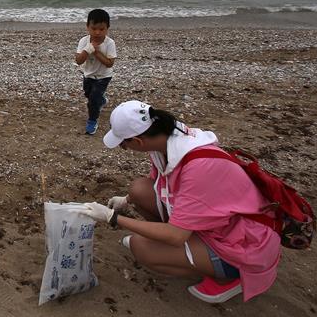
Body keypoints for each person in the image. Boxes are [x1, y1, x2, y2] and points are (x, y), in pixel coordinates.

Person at [74, 100, 281, 303]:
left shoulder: (198, 166)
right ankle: (185, 251)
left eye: (123, 144)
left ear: (138, 142)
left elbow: (176, 236)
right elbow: (156, 182)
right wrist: (126, 200)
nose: (124, 149)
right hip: (217, 223)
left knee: (142, 248)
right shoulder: (167, 139)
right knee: (139, 190)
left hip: (244, 242)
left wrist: (112, 217)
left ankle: (231, 276)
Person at [74, 9, 116, 135]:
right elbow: (79, 61)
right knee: (88, 94)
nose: (97, 32)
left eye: (102, 29)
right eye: (94, 28)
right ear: (88, 27)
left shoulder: (109, 43)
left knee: (93, 99)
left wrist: (96, 52)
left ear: (107, 28)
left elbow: (110, 63)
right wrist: (88, 50)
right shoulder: (84, 41)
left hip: (103, 76)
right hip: (88, 75)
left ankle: (92, 120)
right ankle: (101, 101)